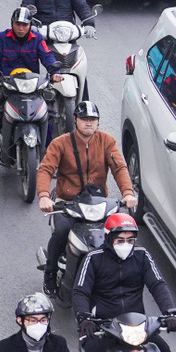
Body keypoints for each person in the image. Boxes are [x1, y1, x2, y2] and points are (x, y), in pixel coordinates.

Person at [72, 212, 176, 352]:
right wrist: (84, 318)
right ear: (108, 239)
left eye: (130, 240)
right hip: (104, 325)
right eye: (120, 240)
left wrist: (170, 313)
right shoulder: (93, 258)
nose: (126, 244)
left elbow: (158, 284)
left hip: (136, 325)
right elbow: (80, 291)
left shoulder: (142, 256)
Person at [36, 101, 137, 294]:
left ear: (98, 121)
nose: (88, 122)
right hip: (68, 202)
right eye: (84, 119)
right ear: (75, 120)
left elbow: (119, 168)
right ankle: (50, 274)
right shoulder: (60, 143)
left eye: (92, 119)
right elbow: (45, 169)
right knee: (61, 232)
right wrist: (44, 196)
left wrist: (128, 193)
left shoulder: (107, 141)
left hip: (98, 203)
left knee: (119, 233)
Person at [0, 7, 61, 180]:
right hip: (8, 87)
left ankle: (49, 158)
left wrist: (54, 71)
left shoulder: (37, 39)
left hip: (33, 87)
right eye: (18, 24)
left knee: (50, 116)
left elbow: (47, 56)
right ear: (12, 23)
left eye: (25, 24)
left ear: (30, 25)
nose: (21, 28)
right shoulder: (0, 39)